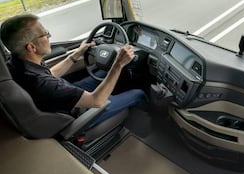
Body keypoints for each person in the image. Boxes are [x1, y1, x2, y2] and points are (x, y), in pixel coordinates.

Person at [0, 14, 147, 127]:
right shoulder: (43, 83)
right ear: (31, 47)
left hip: (61, 98)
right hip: (81, 112)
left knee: (105, 74)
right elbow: (97, 101)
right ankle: (144, 127)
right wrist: (118, 64)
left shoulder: (16, 63)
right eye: (45, 34)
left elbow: (49, 74)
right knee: (138, 93)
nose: (49, 37)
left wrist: (76, 54)